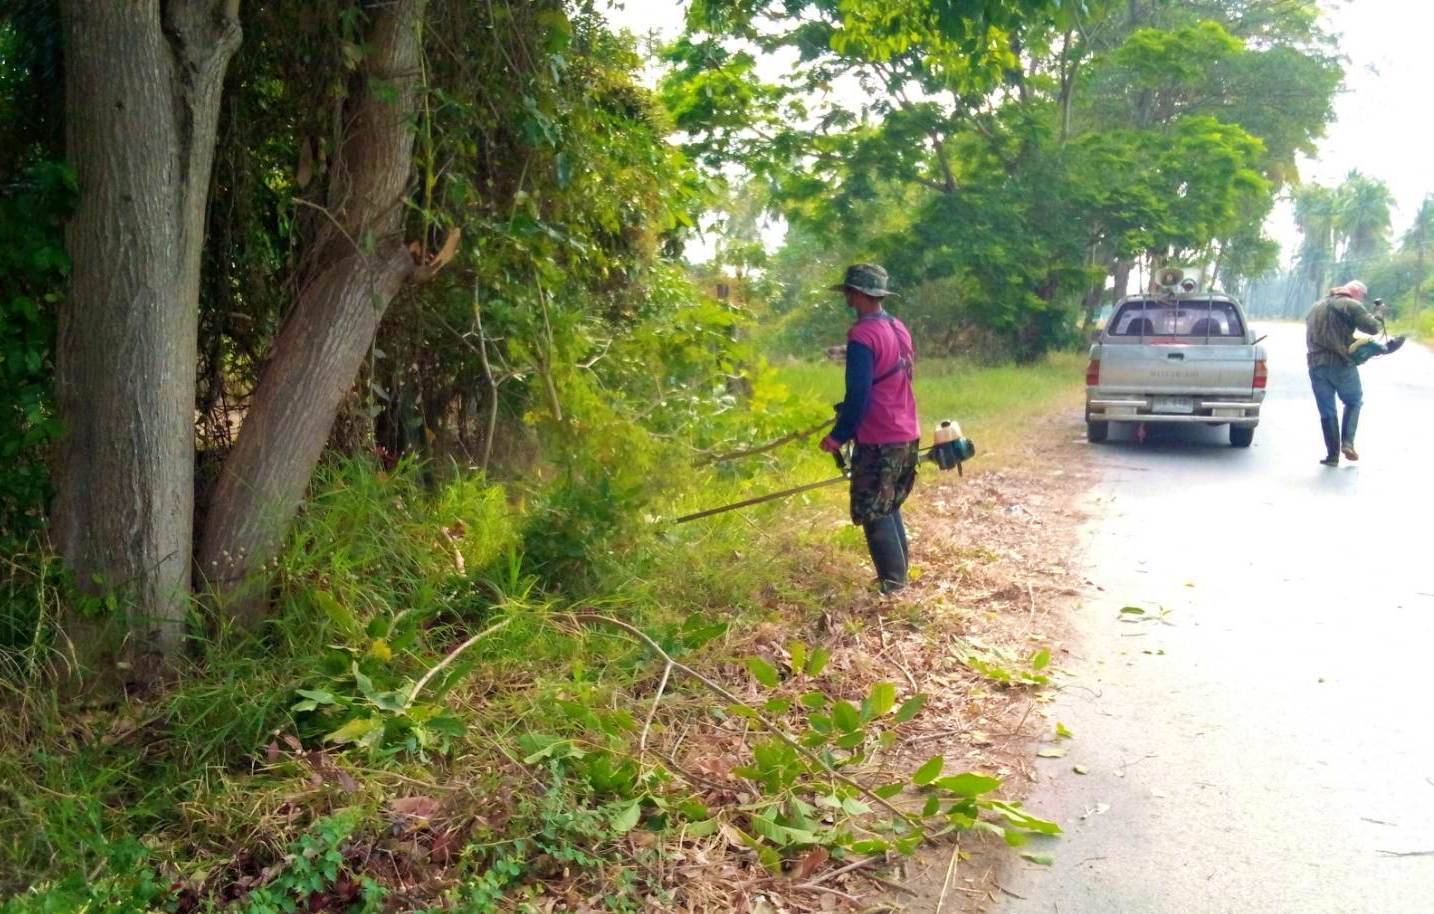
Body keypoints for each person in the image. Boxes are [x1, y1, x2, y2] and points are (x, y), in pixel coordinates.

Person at [819, 264, 921, 594]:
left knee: (873, 509)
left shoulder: (862, 335)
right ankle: (898, 579)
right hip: (907, 431)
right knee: (888, 504)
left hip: (880, 435)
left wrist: (838, 436)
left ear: (859, 294)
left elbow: (859, 393)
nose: (847, 298)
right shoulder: (898, 327)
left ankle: (893, 586)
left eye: (849, 292)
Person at [1305, 280, 1385, 466]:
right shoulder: (1351, 304)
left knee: (1327, 410)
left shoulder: (1315, 307)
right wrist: (1379, 312)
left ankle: (1332, 456)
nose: (1363, 301)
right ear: (1357, 293)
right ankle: (1347, 443)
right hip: (1340, 363)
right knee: (1354, 400)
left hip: (1315, 365)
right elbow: (1373, 328)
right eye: (1363, 297)